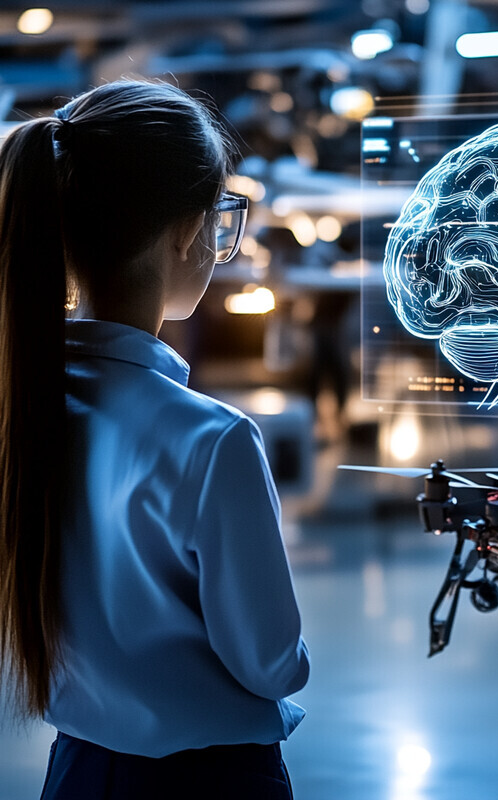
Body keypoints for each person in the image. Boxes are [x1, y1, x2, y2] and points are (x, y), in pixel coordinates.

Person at [0, 79, 310, 799]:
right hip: (210, 780)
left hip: (77, 771)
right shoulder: (213, 441)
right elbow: (269, 664)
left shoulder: (25, 408)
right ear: (184, 232)